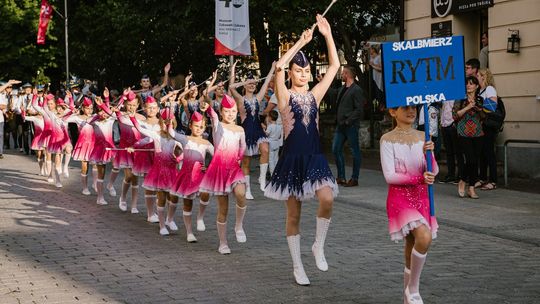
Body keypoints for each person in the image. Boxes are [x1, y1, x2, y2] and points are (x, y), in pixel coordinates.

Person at [264, 14, 340, 286]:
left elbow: (334, 66)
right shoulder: (284, 95)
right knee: (293, 215)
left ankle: (318, 245)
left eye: (307, 71)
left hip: (315, 157)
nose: (303, 74)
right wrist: (301, 42)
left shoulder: (314, 95)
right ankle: (297, 266)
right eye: (299, 71)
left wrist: (327, 34)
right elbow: (279, 67)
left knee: (327, 198)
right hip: (292, 160)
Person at [380, 105, 438, 304]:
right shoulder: (387, 139)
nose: (411, 111)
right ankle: (412, 289)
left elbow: (433, 170)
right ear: (393, 112)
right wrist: (418, 178)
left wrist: (429, 153)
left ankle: (407, 297)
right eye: (405, 108)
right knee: (424, 236)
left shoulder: (424, 136)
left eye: (413, 107)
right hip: (400, 198)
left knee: (412, 243)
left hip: (422, 197)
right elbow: (390, 175)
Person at [199, 95, 247, 254]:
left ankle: (239, 225)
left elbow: (243, 147)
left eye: (233, 111)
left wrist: (239, 157)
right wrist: (206, 101)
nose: (231, 114)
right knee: (223, 209)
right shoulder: (217, 126)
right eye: (227, 111)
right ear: (221, 112)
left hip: (234, 168)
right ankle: (223, 243)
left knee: (241, 194)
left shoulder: (240, 129)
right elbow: (211, 113)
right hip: (220, 170)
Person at [128, 107, 183, 236]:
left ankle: (170, 219)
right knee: (161, 198)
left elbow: (184, 152)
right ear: (160, 123)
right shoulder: (156, 135)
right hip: (159, 171)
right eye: (164, 122)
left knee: (174, 197)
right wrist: (132, 117)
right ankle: (162, 225)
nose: (167, 125)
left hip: (172, 171)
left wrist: (179, 158)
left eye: (169, 122)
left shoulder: (178, 137)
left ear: (173, 123)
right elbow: (141, 129)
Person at [229, 61, 276, 197]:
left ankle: (262, 178)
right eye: (249, 83)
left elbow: (267, 82)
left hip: (257, 129)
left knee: (265, 149)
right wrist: (234, 71)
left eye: (254, 84)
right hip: (246, 130)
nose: (252, 85)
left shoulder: (258, 98)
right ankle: (248, 189)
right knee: (246, 162)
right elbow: (231, 87)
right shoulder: (240, 99)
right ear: (245, 86)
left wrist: (272, 67)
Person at [169, 111, 214, 242]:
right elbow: (172, 133)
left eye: (201, 127)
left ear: (205, 128)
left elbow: (217, 156)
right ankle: (189, 232)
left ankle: (200, 217)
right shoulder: (185, 139)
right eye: (196, 126)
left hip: (201, 175)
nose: (198, 129)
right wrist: (170, 119)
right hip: (187, 176)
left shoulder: (206, 143)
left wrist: (209, 167)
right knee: (187, 204)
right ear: (190, 126)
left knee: (206, 193)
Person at [328, 65, 365, 187]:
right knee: (335, 149)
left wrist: (348, 121)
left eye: (343, 73)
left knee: (355, 151)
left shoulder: (356, 90)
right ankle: (341, 177)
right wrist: (324, 83)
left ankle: (355, 178)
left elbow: (359, 110)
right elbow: (333, 93)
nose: (341, 75)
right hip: (341, 125)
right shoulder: (343, 88)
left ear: (348, 75)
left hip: (351, 126)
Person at [453, 76, 484, 199]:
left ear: (477, 86)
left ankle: (471, 188)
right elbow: (455, 115)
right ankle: (462, 180)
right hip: (463, 132)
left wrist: (478, 108)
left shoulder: (480, 99)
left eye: (472, 84)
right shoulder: (460, 99)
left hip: (478, 133)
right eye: (467, 83)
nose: (469, 86)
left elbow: (484, 116)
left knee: (475, 160)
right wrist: (468, 107)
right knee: (470, 159)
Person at [64, 95, 98, 195]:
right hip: (83, 144)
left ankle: (95, 183)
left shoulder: (95, 117)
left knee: (95, 164)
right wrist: (71, 111)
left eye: (91, 108)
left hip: (94, 143)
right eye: (87, 108)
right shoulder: (78, 118)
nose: (89, 110)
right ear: (83, 108)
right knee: (84, 166)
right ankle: (85, 187)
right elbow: (64, 119)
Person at [477, 69, 498, 190]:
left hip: (488, 125)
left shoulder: (489, 89)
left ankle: (493, 180)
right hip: (481, 124)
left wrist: (480, 106)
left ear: (484, 77)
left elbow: (492, 107)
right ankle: (483, 178)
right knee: (482, 152)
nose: (477, 77)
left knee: (489, 152)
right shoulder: (480, 90)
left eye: (479, 75)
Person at [263, 110, 282, 176]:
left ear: (270, 118)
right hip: (277, 143)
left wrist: (263, 129)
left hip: (270, 143)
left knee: (271, 159)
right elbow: (279, 136)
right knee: (276, 158)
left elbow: (266, 134)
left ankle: (272, 173)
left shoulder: (270, 126)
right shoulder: (279, 126)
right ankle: (277, 172)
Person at [369, 45, 385, 109]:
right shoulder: (371, 58)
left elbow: (381, 68)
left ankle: (383, 111)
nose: (369, 50)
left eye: (371, 49)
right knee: (376, 95)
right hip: (374, 79)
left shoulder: (379, 57)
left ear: (374, 49)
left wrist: (372, 65)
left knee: (380, 96)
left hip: (379, 79)